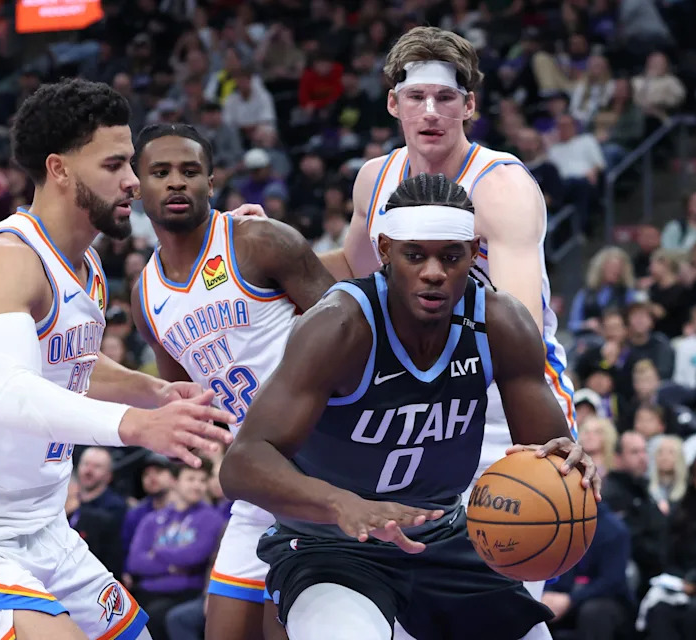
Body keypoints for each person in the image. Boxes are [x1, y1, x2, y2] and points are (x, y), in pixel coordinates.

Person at [0, 78, 236, 640]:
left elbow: (70, 363)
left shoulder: (87, 267)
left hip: (46, 527)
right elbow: (14, 392)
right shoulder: (5, 258)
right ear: (60, 169)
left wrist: (153, 392)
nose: (132, 181)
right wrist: (138, 426)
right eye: (116, 164)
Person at [221, 174, 600, 640]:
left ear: (473, 252)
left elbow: (546, 451)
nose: (434, 272)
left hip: (442, 536)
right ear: (384, 250)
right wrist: (342, 505)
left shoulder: (501, 322)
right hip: (333, 546)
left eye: (451, 256)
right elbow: (240, 464)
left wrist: (568, 465)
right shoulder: (340, 325)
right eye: (415, 255)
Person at [319, 26, 576, 612]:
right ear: (393, 102)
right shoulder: (374, 179)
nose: (430, 112)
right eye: (416, 97)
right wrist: (258, 248)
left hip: (501, 391)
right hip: (416, 391)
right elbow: (350, 273)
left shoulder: (501, 186)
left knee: (501, 584)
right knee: (406, 580)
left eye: (446, 98)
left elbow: (518, 327)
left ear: (470, 104)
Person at [130, 123, 336, 640]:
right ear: (137, 184)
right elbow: (190, 403)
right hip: (255, 477)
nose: (176, 182)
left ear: (212, 181)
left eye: (189, 171)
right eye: (160, 172)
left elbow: (355, 329)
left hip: (323, 463)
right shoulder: (145, 294)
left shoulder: (257, 240)